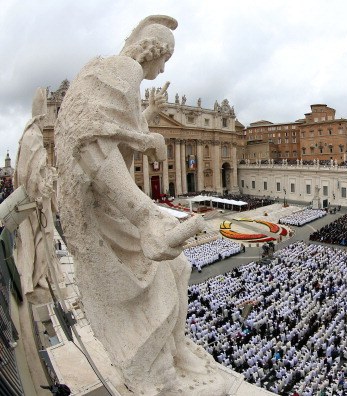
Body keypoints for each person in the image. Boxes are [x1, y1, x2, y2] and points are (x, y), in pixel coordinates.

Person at [55, 15, 227, 394]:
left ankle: (175, 350)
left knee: (178, 271)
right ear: (155, 51)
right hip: (107, 209)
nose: (164, 68)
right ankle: (158, 365)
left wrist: (148, 119)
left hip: (108, 205)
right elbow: (95, 146)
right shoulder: (121, 71)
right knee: (164, 276)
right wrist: (145, 213)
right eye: (165, 59)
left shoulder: (116, 77)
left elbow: (114, 131)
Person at [14, 87, 61, 304]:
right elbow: (27, 174)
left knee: (46, 237)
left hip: (39, 200)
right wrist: (42, 183)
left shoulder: (32, 136)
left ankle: (41, 274)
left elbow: (35, 169)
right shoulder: (33, 137)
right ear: (42, 116)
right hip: (37, 203)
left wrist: (46, 174)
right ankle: (39, 276)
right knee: (44, 236)